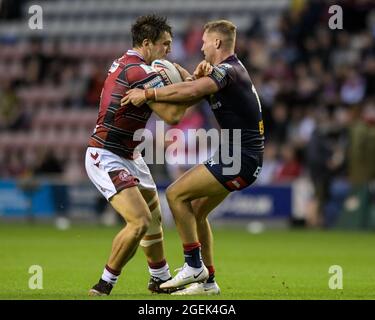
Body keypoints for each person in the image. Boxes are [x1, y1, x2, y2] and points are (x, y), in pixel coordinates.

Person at [122, 20, 265, 295]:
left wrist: (148, 93)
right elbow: (194, 88)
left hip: (239, 157)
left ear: (217, 43)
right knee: (197, 212)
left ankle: (192, 266)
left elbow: (192, 92)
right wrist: (193, 76)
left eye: (204, 41)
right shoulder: (228, 71)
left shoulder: (227, 70)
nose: (200, 46)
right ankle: (208, 283)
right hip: (238, 154)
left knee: (175, 195)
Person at [85, 14, 195, 296]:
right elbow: (173, 116)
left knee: (154, 216)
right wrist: (190, 83)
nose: (169, 51)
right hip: (106, 154)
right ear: (147, 43)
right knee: (139, 222)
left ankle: (159, 278)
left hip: (130, 155)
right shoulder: (141, 73)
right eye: (165, 44)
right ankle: (103, 285)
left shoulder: (126, 63)